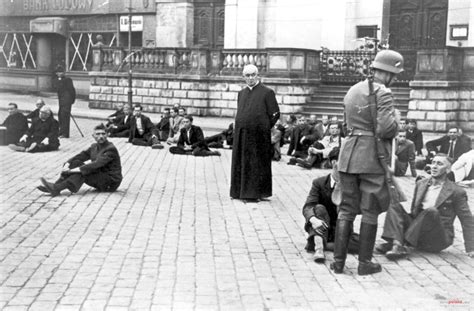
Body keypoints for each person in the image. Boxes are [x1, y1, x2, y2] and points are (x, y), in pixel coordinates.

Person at [332, 49, 402, 276]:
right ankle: (364, 263)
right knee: (370, 209)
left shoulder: (353, 89)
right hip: (370, 157)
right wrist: (397, 122)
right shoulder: (384, 92)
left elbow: (345, 125)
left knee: (346, 209)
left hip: (348, 154)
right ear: (389, 73)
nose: (395, 79)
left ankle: (339, 263)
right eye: (395, 74)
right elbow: (385, 129)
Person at [376, 154, 474, 260]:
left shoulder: (456, 191)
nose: (434, 166)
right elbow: (414, 212)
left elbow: (467, 220)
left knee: (431, 211)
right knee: (394, 204)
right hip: (418, 231)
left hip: (437, 237)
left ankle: (401, 244)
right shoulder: (421, 184)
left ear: (448, 169)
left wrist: (471, 248)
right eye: (433, 163)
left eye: (440, 164)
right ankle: (397, 243)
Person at [230, 64, 280, 202]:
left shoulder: (267, 92)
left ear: (258, 75)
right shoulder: (241, 93)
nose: (250, 78)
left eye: (253, 75)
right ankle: (238, 191)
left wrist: (264, 127)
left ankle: (255, 193)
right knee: (241, 162)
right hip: (242, 134)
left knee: (256, 163)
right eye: (247, 75)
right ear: (243, 77)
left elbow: (275, 113)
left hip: (258, 136)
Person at [302, 147, 359, 263]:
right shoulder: (319, 183)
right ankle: (319, 249)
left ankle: (318, 243)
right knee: (319, 208)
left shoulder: (352, 184)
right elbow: (308, 206)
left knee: (362, 245)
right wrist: (313, 220)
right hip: (322, 224)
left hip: (341, 228)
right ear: (334, 163)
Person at [38, 124, 122, 196]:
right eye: (98, 134)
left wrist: (72, 171)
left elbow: (95, 165)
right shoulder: (94, 146)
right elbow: (82, 155)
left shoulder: (110, 149)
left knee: (84, 171)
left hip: (110, 182)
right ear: (93, 136)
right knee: (75, 162)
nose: (101, 136)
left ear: (107, 135)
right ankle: (55, 186)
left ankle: (56, 188)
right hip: (100, 175)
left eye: (103, 134)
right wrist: (68, 163)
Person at [54, 65, 76, 138]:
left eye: (60, 72)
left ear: (63, 72)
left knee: (65, 117)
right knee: (60, 115)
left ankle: (65, 134)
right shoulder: (57, 80)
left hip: (67, 101)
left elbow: (72, 90)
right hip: (61, 101)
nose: (58, 74)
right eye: (57, 72)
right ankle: (61, 132)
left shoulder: (68, 80)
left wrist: (72, 100)